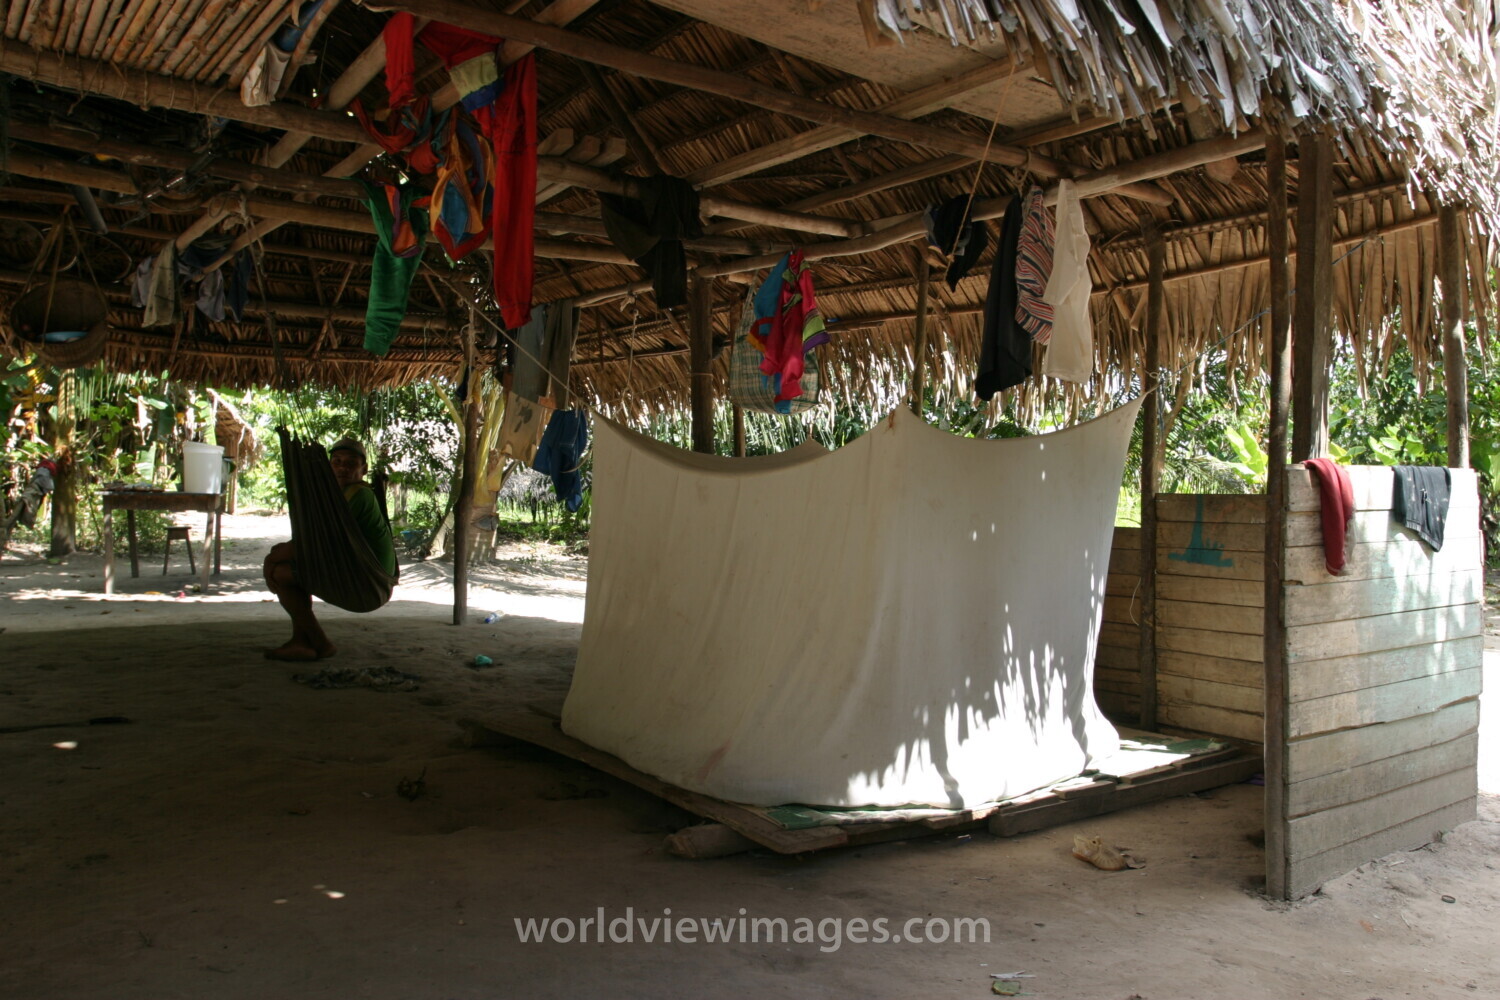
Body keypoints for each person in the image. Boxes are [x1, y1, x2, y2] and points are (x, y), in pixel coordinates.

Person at [262, 437, 396, 661]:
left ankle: (321, 644)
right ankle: (301, 642)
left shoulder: (360, 495)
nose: (343, 467)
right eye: (337, 461)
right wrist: (276, 555)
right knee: (286, 565)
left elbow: (315, 545)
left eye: (351, 463)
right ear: (328, 467)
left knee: (281, 573)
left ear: (363, 469)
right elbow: (312, 543)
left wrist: (270, 560)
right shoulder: (337, 498)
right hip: (353, 575)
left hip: (368, 585)